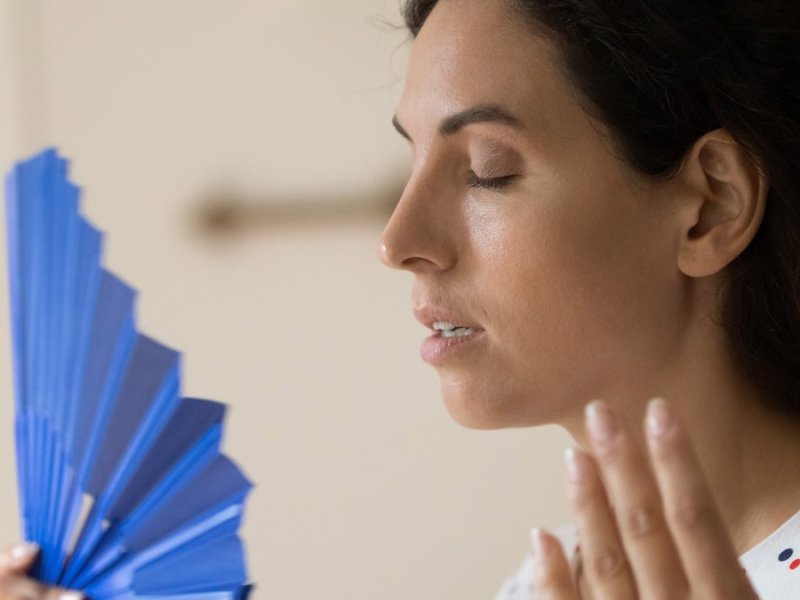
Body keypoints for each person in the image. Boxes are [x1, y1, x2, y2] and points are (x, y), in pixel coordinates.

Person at [378, 0, 800, 598]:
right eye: (411, 163)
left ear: (712, 205)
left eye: (486, 170)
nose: (397, 243)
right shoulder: (543, 585)